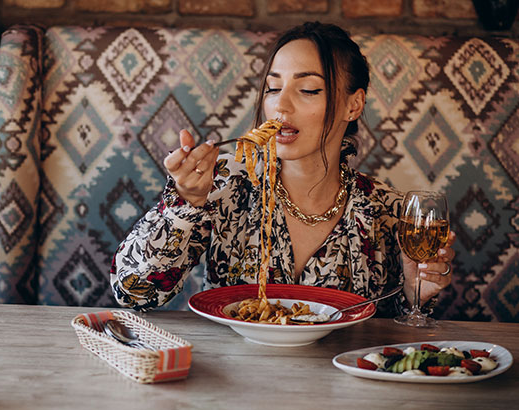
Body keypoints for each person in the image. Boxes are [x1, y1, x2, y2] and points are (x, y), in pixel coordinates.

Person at [110, 22, 456, 317]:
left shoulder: (390, 212)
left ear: (354, 104)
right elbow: (134, 293)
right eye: (273, 88)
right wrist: (184, 203)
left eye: (308, 89)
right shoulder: (224, 187)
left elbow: (389, 338)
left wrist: (414, 294)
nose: (280, 104)